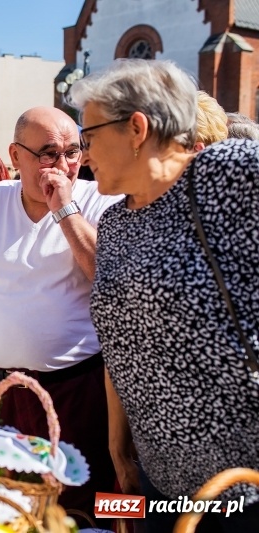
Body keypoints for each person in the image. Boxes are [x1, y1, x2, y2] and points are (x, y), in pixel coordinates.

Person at [69, 59, 259, 530]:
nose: (83, 153)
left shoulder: (227, 174)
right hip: (157, 478)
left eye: (88, 138)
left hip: (243, 487)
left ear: (136, 128)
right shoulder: (113, 225)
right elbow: (119, 346)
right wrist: (118, 444)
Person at [0, 106, 120, 521]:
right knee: (6, 501)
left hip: (79, 389)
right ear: (15, 155)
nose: (63, 165)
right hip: (1, 389)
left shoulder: (98, 199)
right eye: (48, 153)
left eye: (73, 151)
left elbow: (106, 275)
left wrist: (65, 209)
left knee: (90, 501)